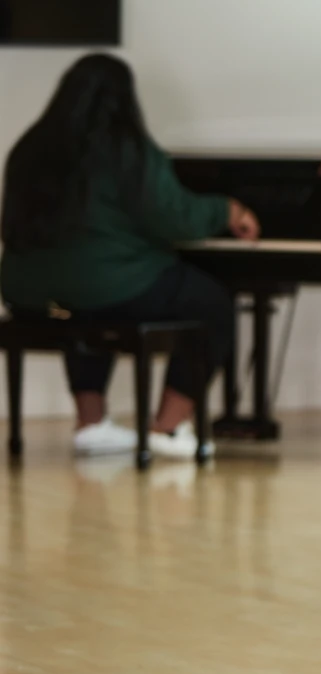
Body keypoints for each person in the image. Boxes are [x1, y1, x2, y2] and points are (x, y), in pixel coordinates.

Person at [0, 54, 257, 460]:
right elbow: (176, 217)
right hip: (102, 285)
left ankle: (91, 424)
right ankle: (167, 428)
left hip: (28, 290)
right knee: (212, 304)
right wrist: (227, 211)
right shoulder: (127, 150)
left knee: (84, 305)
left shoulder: (30, 149)